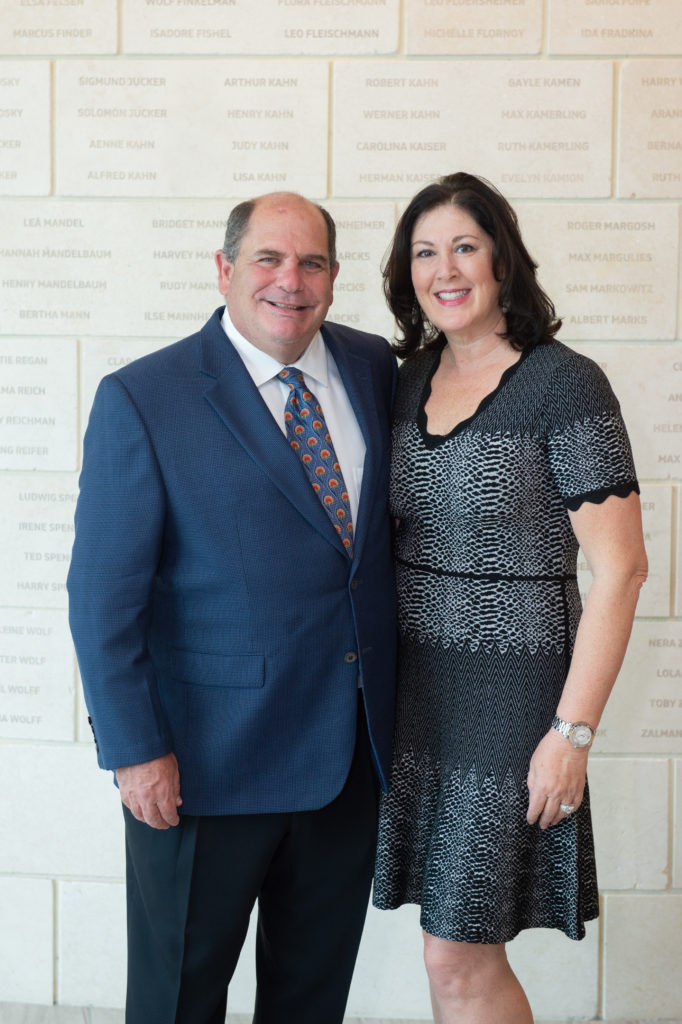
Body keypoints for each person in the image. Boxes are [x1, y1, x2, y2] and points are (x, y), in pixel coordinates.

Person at [67, 191, 397, 1024]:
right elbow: (101, 598)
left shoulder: (374, 369)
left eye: (312, 263)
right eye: (268, 259)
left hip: (347, 764)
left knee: (310, 1002)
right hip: (201, 770)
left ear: (334, 276)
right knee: (177, 1001)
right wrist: (136, 751)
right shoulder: (145, 397)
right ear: (224, 269)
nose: (291, 281)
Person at [372, 172, 648, 1023]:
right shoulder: (405, 380)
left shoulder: (566, 383)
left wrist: (572, 734)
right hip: (419, 697)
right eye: (425, 252)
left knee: (456, 951)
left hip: (515, 702)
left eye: (465, 246)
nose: (444, 269)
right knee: (448, 948)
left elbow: (622, 570)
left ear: (503, 259)